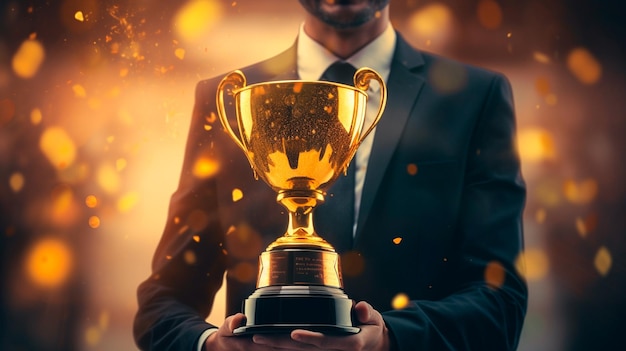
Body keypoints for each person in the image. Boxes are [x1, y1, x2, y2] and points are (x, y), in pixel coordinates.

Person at [133, 0, 528, 350]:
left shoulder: (475, 98)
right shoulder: (227, 102)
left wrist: (393, 337)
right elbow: (163, 301)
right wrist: (211, 345)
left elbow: (501, 302)